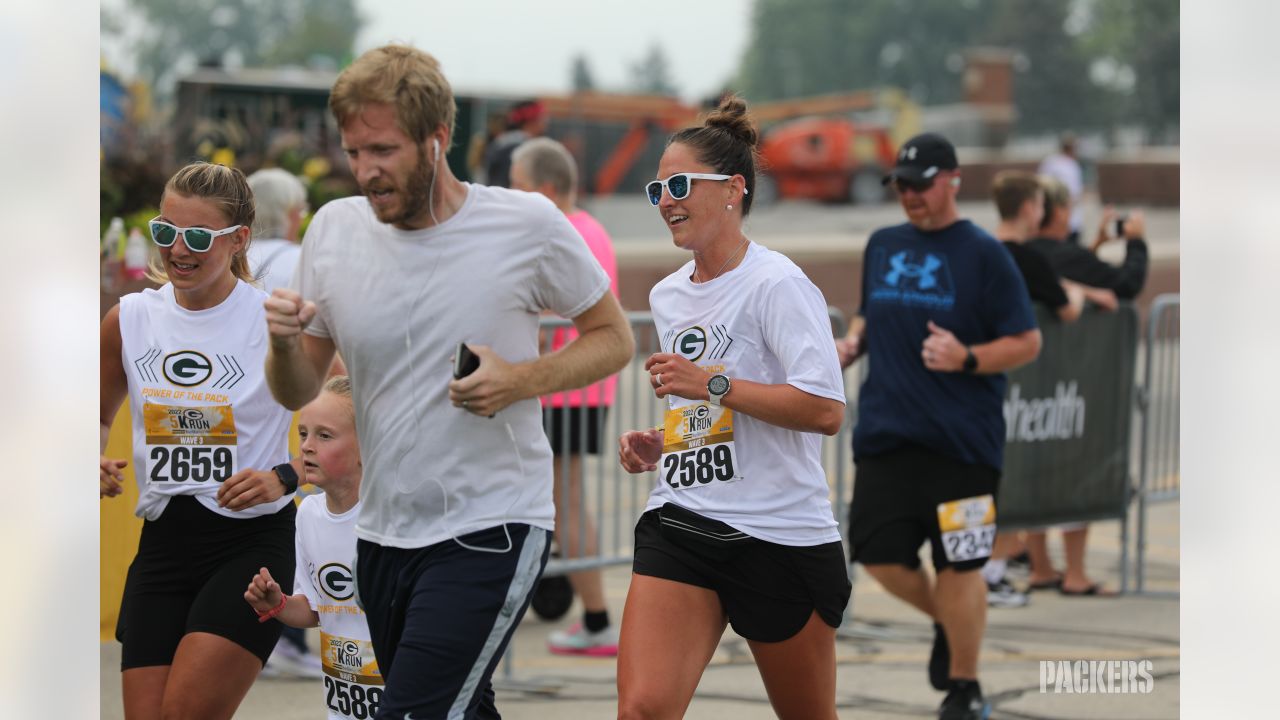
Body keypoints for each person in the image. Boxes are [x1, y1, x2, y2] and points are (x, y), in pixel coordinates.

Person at [261, 44, 634, 719]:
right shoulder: (333, 231)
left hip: (491, 523)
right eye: (354, 152)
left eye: (383, 150)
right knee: (463, 706)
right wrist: (283, 344)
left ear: (437, 140)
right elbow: (295, 389)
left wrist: (521, 379)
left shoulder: (525, 225)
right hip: (382, 532)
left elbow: (615, 338)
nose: (366, 171)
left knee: (413, 712)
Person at [616, 95, 850, 720]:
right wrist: (667, 443)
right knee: (642, 710)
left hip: (775, 535)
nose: (666, 199)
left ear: (733, 190)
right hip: (684, 520)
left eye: (680, 184)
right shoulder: (668, 296)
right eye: (657, 188)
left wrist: (711, 386)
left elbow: (825, 411)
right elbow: (714, 412)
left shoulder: (778, 284)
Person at [835, 132, 1041, 720]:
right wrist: (855, 340)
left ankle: (965, 687)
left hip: (963, 447)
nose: (909, 196)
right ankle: (951, 625)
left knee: (962, 564)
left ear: (952, 180)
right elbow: (871, 308)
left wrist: (968, 357)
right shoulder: (882, 243)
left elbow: (1028, 340)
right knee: (877, 556)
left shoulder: (984, 253)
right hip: (887, 437)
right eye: (901, 185)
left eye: (920, 184)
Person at [100, 161, 299, 719]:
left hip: (251, 545)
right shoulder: (132, 318)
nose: (177, 250)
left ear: (239, 239)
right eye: (164, 232)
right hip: (163, 541)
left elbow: (353, 427)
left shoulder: (272, 321)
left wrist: (282, 477)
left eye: (195, 237)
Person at [982, 171, 1119, 610]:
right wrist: (1079, 290)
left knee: (995, 479)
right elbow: (1066, 309)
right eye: (1039, 204)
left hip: (982, 385)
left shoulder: (980, 250)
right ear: (1029, 208)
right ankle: (993, 572)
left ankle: (995, 568)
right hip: (1021, 385)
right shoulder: (1026, 258)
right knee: (1017, 477)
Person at [510, 137, 622, 656]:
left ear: (547, 190)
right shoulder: (592, 228)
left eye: (519, 186)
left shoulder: (560, 234)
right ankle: (592, 613)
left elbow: (544, 324)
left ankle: (597, 617)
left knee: (567, 503)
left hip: (564, 391)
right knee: (568, 500)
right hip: (583, 388)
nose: (513, 198)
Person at [1020, 175, 1147, 598]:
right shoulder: (1064, 258)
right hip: (1071, 381)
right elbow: (1127, 283)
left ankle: (1041, 567)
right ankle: (1075, 573)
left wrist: (1091, 248)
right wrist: (1136, 241)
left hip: (1024, 387)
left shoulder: (1019, 254)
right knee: (1076, 465)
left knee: (1031, 471)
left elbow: (1062, 269)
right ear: (1054, 211)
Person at [244, 376, 385, 719]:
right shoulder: (307, 514)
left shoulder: (388, 518)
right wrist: (278, 604)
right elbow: (317, 609)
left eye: (324, 436)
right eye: (303, 434)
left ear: (367, 445)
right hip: (344, 704)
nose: (306, 447)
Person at [245, 166, 327, 678]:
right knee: (305, 521)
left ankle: (277, 629)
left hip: (245, 408)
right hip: (297, 403)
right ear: (294, 213)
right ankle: (289, 633)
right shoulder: (300, 262)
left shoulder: (235, 262)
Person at [1026, 177, 1150, 303]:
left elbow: (1078, 269)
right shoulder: (1069, 257)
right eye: (1070, 207)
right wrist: (1136, 241)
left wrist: (1096, 244)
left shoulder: (1021, 252)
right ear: (1059, 212)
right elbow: (1127, 284)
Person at [246, 167, 308, 295]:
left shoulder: (230, 254)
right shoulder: (301, 260)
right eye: (301, 210)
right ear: (289, 212)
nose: (301, 219)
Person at [484, 99, 547, 188]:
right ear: (532, 121)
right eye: (542, 118)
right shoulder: (516, 147)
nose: (545, 122)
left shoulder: (505, 142)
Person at [1037, 132, 1084, 244]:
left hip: (1057, 216)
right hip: (1067, 217)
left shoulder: (1050, 162)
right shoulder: (1071, 166)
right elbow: (1075, 194)